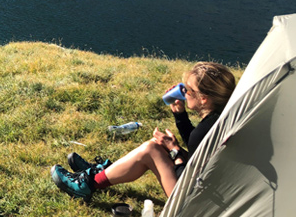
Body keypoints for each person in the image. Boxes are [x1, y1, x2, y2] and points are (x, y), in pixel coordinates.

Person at [51, 62, 236, 202]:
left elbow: (190, 179)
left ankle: (88, 184)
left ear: (203, 99)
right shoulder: (224, 118)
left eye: (188, 90)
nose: (183, 92)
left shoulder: (206, 130)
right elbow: (199, 149)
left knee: (151, 149)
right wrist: (180, 117)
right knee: (156, 147)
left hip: (193, 203)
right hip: (218, 193)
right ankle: (99, 174)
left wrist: (175, 151)